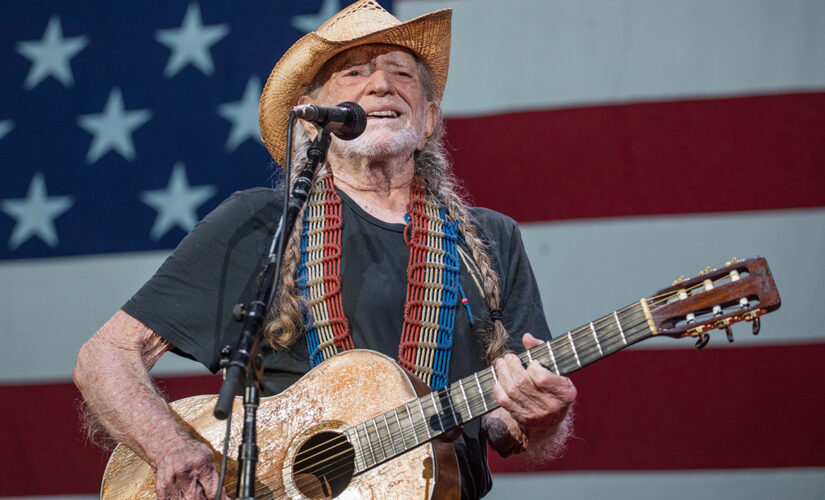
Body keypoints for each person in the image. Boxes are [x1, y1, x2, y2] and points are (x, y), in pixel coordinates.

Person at [73, 1, 577, 499]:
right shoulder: (259, 223)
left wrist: (542, 418)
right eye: (354, 72)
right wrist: (170, 448)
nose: (380, 84)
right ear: (314, 122)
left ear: (427, 120)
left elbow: (513, 427)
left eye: (401, 73)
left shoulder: (491, 239)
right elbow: (106, 356)